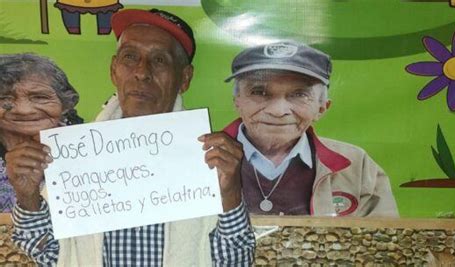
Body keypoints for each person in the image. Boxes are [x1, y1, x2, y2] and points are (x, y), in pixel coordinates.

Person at [8, 9, 255, 266]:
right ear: (114, 70)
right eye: (130, 57)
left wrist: (229, 192)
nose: (142, 72)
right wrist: (27, 196)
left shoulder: (207, 161)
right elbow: (50, 256)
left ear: (184, 78)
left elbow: (235, 261)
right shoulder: (76, 161)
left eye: (159, 60)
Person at [223, 41, 399, 217]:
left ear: (322, 107)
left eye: (299, 94)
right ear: (237, 101)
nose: (278, 111)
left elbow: (384, 238)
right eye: (259, 92)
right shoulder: (200, 157)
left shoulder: (356, 165)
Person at [0, 53, 82, 213]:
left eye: (39, 97)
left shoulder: (91, 149)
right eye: (6, 99)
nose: (24, 110)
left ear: (65, 104)